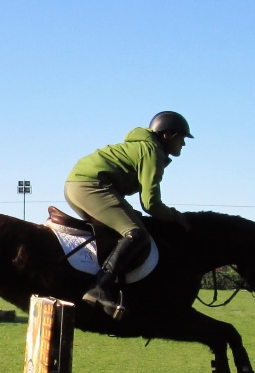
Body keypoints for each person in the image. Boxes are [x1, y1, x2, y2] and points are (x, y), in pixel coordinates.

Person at [64, 111, 193, 319]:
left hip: (77, 185)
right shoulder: (153, 151)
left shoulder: (143, 147)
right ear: (168, 135)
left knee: (125, 230)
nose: (183, 145)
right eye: (182, 138)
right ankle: (99, 288)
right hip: (90, 186)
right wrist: (176, 217)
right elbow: (150, 204)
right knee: (137, 234)